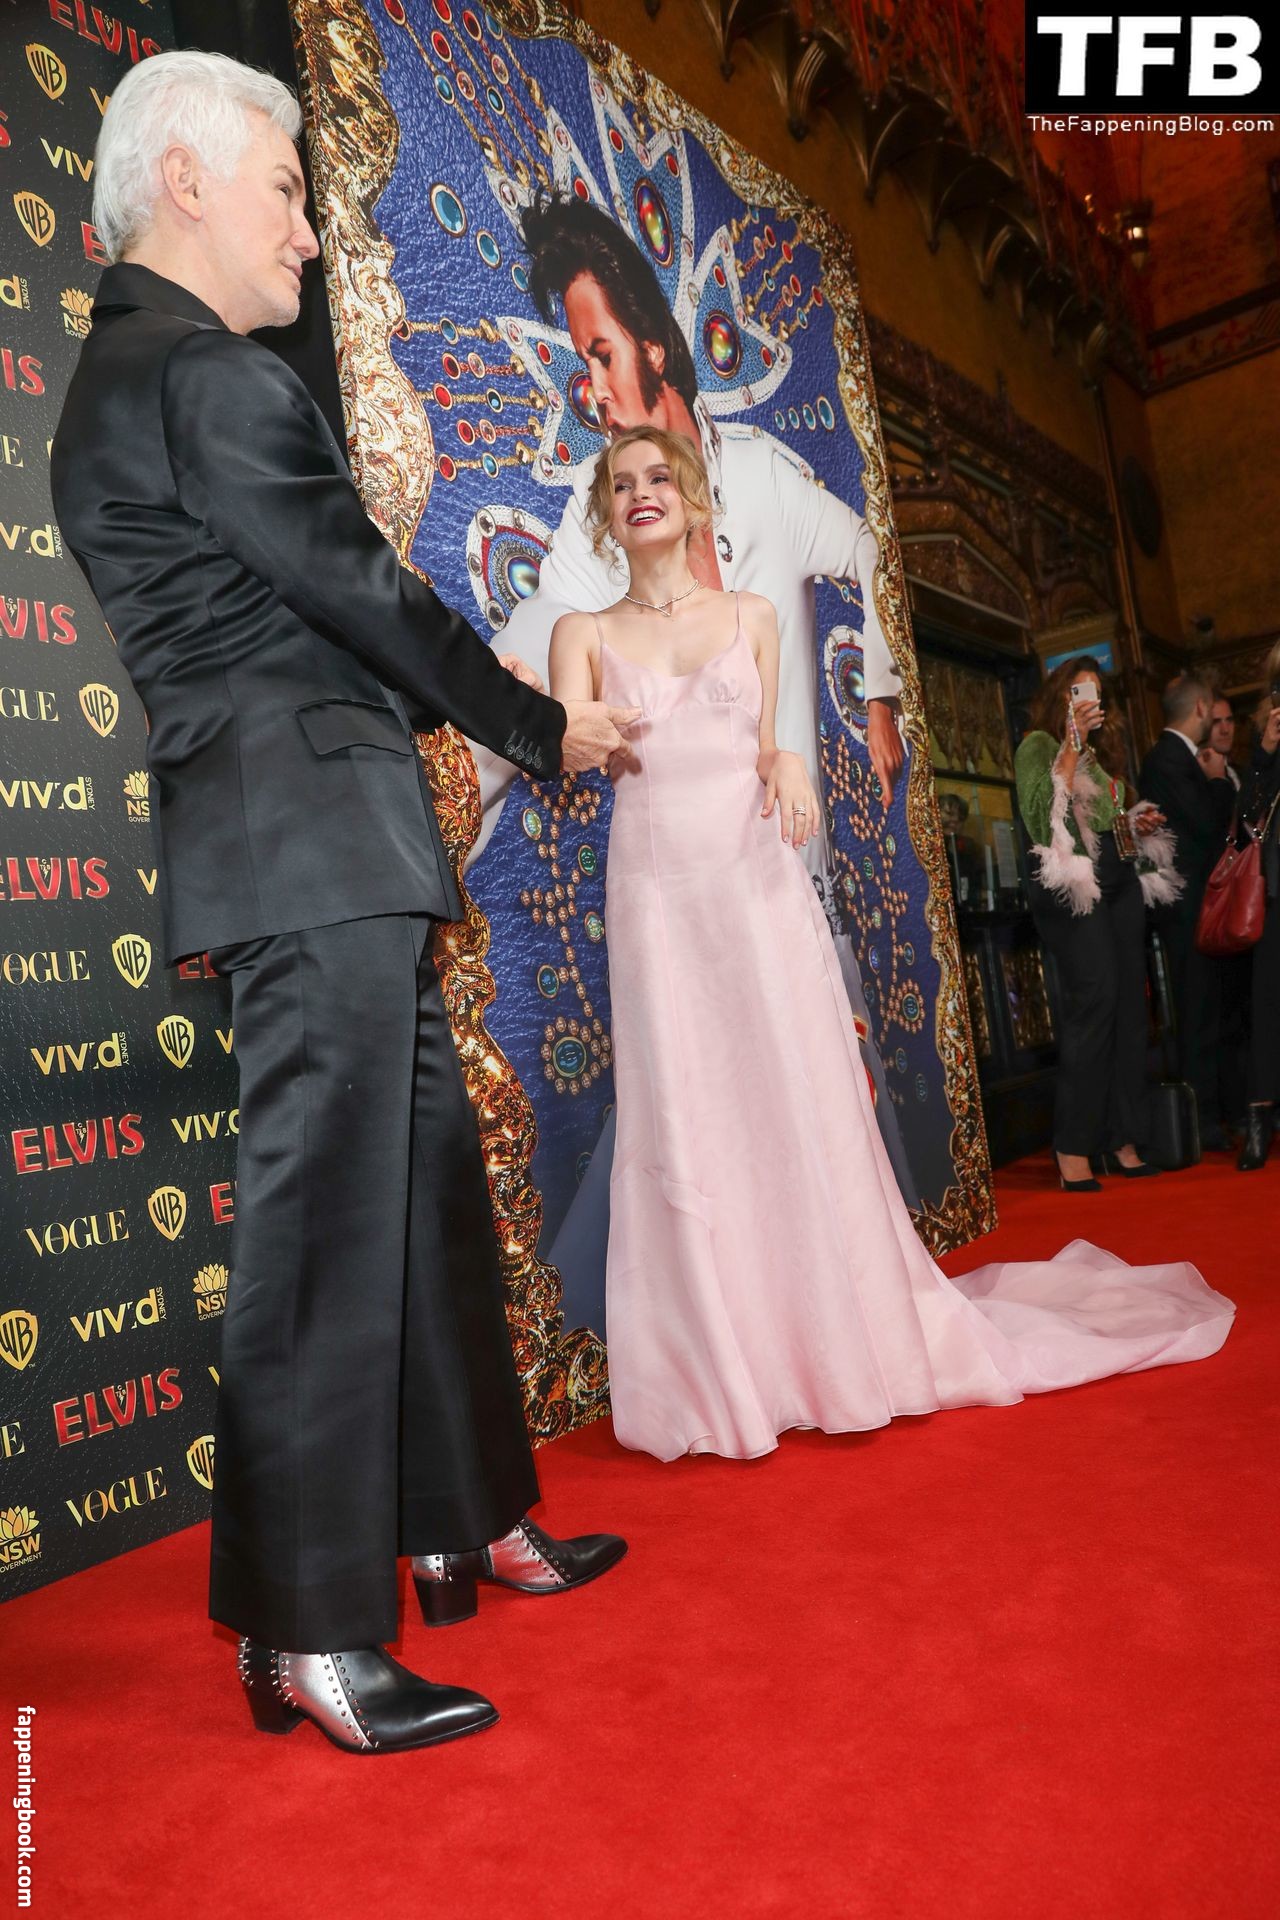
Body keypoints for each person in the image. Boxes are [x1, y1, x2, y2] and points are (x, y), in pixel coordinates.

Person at [50, 51, 635, 1756]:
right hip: (304, 845)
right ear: (184, 183)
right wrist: (531, 720)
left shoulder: (145, 378)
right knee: (322, 1238)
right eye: (289, 189)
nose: (308, 232)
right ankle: (306, 1627)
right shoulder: (193, 374)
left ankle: (462, 1522)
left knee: (423, 1200)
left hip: (324, 845)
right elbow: (361, 588)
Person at [546, 427, 1233, 1463]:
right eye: (620, 484)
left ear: (689, 500)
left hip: (753, 885)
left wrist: (786, 766)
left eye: (658, 479)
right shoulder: (583, 632)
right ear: (606, 512)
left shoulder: (753, 615)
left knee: (789, 1100)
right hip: (654, 899)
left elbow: (775, 755)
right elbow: (566, 743)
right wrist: (575, 731)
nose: (641, 493)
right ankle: (721, 1367)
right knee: (682, 1109)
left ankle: (826, 1339)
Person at [1014, 657, 1180, 1189]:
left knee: (1131, 1005)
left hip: (1119, 880)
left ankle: (1121, 1138)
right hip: (1073, 885)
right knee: (1097, 999)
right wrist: (1070, 742)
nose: (1091, 701)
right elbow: (1041, 815)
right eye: (1079, 691)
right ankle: (1073, 1144)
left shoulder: (1101, 758)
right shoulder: (1038, 745)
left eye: (1097, 694)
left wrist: (1134, 821)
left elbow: (1106, 821)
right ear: (1060, 695)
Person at [1139, 675, 1238, 1150]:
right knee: (1197, 1013)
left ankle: (1222, 1113)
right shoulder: (1167, 758)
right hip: (1188, 909)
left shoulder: (1177, 757)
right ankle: (1205, 1122)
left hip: (1201, 906)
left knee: (1212, 1012)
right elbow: (1206, 824)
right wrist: (1218, 783)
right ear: (1201, 707)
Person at [1238, 649, 1280, 1170]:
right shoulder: (1265, 736)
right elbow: (1246, 818)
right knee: (1268, 1003)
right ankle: (1258, 1119)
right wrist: (1266, 753)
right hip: (1274, 891)